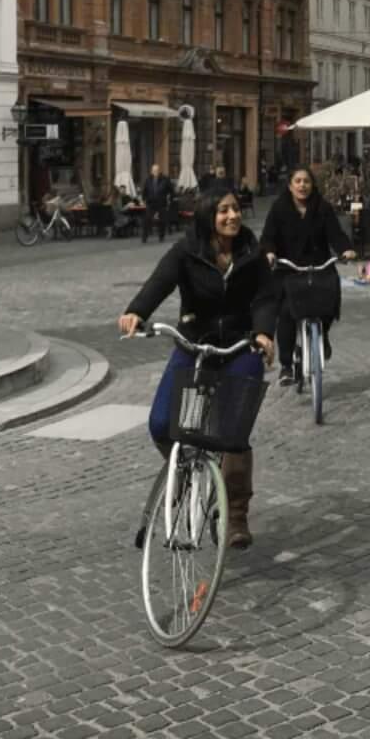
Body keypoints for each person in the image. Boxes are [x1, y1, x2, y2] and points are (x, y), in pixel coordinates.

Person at [119, 190, 278, 548]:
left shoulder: (251, 253)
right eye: (224, 210)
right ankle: (183, 467)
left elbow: (268, 297)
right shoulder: (187, 251)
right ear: (208, 215)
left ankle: (234, 515)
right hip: (195, 345)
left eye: (236, 209)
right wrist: (137, 311)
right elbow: (159, 281)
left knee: (233, 434)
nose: (233, 216)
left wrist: (264, 333)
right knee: (162, 423)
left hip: (240, 347)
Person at [261, 166, 357, 388]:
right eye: (298, 181)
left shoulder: (322, 208)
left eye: (306, 181)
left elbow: (336, 234)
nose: (302, 185)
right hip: (289, 267)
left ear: (312, 185)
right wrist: (269, 252)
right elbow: (268, 236)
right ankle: (286, 365)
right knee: (285, 313)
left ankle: (321, 336)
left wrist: (345, 249)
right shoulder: (279, 208)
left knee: (329, 298)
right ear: (290, 185)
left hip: (318, 266)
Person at [140, 164, 175, 243]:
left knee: (162, 221)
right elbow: (144, 191)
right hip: (151, 203)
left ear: (159, 171)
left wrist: (170, 199)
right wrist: (143, 199)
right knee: (147, 220)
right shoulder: (148, 180)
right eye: (154, 170)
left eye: (157, 170)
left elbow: (172, 191)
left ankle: (161, 236)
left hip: (161, 203)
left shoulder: (165, 179)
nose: (155, 172)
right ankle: (144, 237)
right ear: (151, 171)